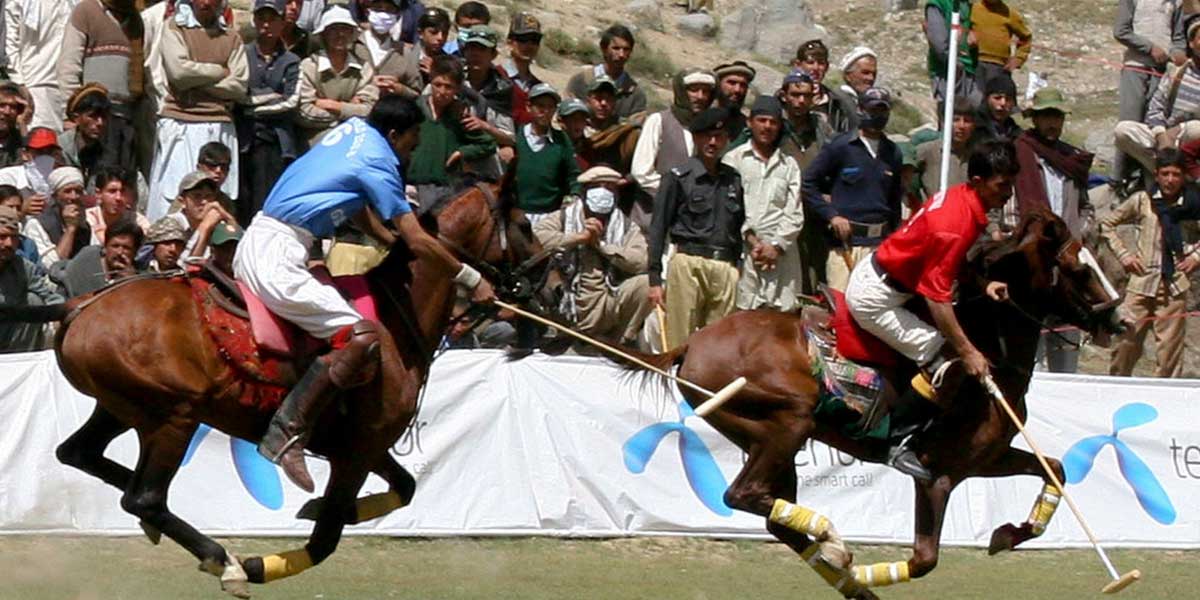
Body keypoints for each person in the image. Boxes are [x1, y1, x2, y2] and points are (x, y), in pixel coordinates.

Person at [233, 95, 496, 492]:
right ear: (393, 134)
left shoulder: (352, 132)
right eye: (412, 138)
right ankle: (287, 433)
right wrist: (471, 279)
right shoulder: (380, 161)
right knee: (362, 335)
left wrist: (383, 238)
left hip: (263, 239)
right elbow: (417, 239)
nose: (415, 146)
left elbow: (351, 203)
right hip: (278, 256)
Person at [845, 140, 1018, 480]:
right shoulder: (954, 222)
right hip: (877, 298)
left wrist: (982, 284)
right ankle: (894, 443)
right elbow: (937, 296)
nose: (1008, 194)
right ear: (979, 180)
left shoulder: (963, 198)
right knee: (945, 360)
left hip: (889, 278)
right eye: (1002, 185)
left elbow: (947, 264)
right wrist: (968, 352)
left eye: (1011, 184)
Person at [647, 107, 744, 350]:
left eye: (719, 137)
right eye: (707, 136)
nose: (713, 142)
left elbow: (738, 226)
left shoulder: (733, 180)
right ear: (696, 138)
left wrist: (737, 268)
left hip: (724, 267)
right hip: (688, 263)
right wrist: (654, 278)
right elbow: (658, 228)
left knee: (719, 346)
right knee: (680, 342)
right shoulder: (678, 178)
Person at [1100, 148, 1200, 378]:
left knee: (1169, 356)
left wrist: (1195, 256)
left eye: (1175, 174)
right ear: (1156, 175)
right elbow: (1107, 224)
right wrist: (1124, 255)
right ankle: (1115, 392)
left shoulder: (1193, 203)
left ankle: (1164, 403)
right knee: (1125, 345)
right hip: (1141, 284)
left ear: (1183, 175)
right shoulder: (1142, 200)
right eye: (1165, 174)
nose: (1170, 180)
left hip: (1174, 287)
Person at [147, 0, 248, 222]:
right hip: (181, 121)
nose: (206, 2)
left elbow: (239, 85)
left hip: (219, 123)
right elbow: (179, 73)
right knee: (175, 197)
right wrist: (219, 71)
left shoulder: (231, 37)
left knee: (217, 200)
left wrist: (197, 82)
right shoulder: (174, 28)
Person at [534, 165, 651, 347]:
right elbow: (537, 238)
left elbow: (642, 260)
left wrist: (602, 247)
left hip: (608, 298)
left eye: (610, 188)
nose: (604, 192)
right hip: (568, 298)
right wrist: (578, 238)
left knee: (647, 284)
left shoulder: (626, 226)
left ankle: (620, 342)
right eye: (598, 186)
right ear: (585, 191)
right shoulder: (565, 217)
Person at [802, 87, 903, 291]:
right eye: (872, 110)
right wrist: (831, 216)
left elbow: (894, 200)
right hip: (845, 245)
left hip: (879, 246)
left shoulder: (893, 152)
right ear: (860, 109)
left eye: (882, 111)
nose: (877, 116)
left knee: (873, 308)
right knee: (841, 308)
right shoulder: (840, 147)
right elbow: (808, 183)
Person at [723, 96, 803, 312]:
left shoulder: (789, 165)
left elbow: (795, 212)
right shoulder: (733, 160)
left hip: (782, 254)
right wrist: (751, 239)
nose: (767, 126)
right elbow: (727, 208)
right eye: (762, 120)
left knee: (782, 317)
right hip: (745, 251)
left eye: (773, 122)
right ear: (750, 123)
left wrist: (775, 246)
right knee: (743, 314)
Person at [58, 0, 145, 174]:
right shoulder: (86, 11)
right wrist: (69, 114)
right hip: (95, 115)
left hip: (126, 116)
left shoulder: (136, 20)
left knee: (124, 176)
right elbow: (68, 65)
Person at [237, 0, 301, 226]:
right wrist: (272, 95)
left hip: (276, 141)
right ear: (254, 20)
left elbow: (291, 100)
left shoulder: (291, 61)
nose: (266, 24)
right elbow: (237, 94)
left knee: (268, 205)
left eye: (272, 18)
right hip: (244, 139)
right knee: (243, 200)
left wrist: (252, 105)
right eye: (261, 18)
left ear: (283, 22)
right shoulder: (241, 54)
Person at [1111, 0, 1186, 188]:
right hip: (1136, 67)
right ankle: (1118, 179)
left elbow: (1179, 39)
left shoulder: (1176, 3)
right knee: (1129, 121)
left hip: (1163, 72)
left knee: (1154, 125)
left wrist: (1177, 53)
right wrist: (1150, 48)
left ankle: (1148, 182)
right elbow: (1121, 31)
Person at [630, 68, 716, 230]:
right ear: (682, 92)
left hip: (690, 224)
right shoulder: (659, 121)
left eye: (705, 92)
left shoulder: (710, 131)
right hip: (652, 218)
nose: (700, 97)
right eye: (694, 90)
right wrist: (675, 192)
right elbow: (641, 172)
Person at [405, 55, 495, 207]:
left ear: (458, 88)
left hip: (443, 189)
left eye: (448, 87)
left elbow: (487, 144)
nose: (442, 91)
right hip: (410, 184)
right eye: (437, 85)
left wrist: (461, 152)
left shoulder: (458, 115)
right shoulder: (414, 109)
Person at [1115, 16, 1200, 175]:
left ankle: (1174, 172)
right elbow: (1155, 108)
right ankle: (1163, 170)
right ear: (1191, 43)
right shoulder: (1176, 71)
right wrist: (1162, 135)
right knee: (1123, 130)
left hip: (1191, 142)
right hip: (1163, 137)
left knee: (1197, 129)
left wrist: (1178, 129)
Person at [297, 5, 378, 145]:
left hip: (355, 140)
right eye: (333, 29)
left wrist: (333, 105)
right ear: (323, 34)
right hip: (315, 142)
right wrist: (348, 112)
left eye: (345, 29)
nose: (340, 34)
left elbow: (369, 110)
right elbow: (304, 112)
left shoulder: (364, 68)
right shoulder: (309, 66)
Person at [0, 205, 63, 352]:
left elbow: (49, 297)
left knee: (34, 301)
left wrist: (64, 313)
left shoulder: (23, 267)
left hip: (11, 340)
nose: (9, 244)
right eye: (2, 237)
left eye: (14, 238)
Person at [513, 84, 581, 219]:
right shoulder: (516, 136)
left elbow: (573, 174)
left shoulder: (561, 140)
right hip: (517, 213)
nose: (545, 111)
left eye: (550, 107)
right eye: (540, 106)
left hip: (549, 215)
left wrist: (574, 195)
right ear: (529, 106)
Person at [4, 0, 70, 129]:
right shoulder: (20, 2)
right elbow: (9, 46)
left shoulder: (74, 3)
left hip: (68, 89)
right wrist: (21, 85)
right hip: (35, 87)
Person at [565, 25, 647, 122]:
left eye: (626, 49)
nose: (621, 54)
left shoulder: (634, 94)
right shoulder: (580, 82)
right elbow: (567, 115)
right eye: (616, 48)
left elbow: (635, 128)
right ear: (604, 49)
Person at [54, 214, 142, 297]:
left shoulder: (139, 276)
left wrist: (131, 284)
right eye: (115, 246)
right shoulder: (88, 259)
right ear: (105, 247)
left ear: (135, 252)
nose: (119, 252)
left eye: (126, 248)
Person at [23, 167, 89, 269]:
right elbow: (51, 267)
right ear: (55, 196)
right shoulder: (37, 224)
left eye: (78, 191)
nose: (73, 196)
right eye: (67, 191)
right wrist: (70, 229)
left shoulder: (84, 224)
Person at [355, 0, 422, 100]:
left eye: (389, 10)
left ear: (397, 16)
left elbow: (417, 92)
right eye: (378, 8)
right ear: (368, 12)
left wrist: (400, 89)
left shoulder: (404, 53)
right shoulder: (354, 46)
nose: (383, 14)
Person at [915, 97, 977, 199]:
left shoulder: (977, 156)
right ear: (944, 122)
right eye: (955, 120)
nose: (961, 126)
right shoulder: (929, 151)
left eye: (967, 121)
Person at [793, 39, 857, 133]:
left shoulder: (836, 103)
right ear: (798, 65)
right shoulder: (785, 97)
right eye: (810, 63)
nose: (816, 68)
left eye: (821, 63)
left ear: (826, 67)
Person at [969, 0, 1032, 93]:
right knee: (975, 99)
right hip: (974, 62)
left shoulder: (1009, 14)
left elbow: (1026, 37)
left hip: (998, 66)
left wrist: (1018, 59)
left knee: (998, 96)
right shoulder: (972, 9)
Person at [924, 0, 979, 104]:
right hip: (947, 72)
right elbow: (938, 42)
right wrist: (954, 62)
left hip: (970, 70)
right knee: (951, 113)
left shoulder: (968, 5)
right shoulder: (938, 4)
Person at [84, 166, 149, 244]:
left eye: (123, 191)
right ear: (99, 194)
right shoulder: (87, 220)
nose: (118, 198)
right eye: (112, 191)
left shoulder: (138, 221)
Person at [501, 12, 543, 94]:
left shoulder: (537, 87)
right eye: (523, 39)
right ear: (510, 42)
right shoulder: (494, 76)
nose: (529, 45)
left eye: (535, 40)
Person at [406, 6, 449, 86]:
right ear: (420, 33)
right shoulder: (405, 56)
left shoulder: (450, 64)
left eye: (444, 33)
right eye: (433, 32)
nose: (440, 38)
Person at [713, 61, 756, 138]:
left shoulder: (746, 126)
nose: (737, 90)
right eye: (732, 83)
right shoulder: (699, 116)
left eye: (743, 85)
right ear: (718, 84)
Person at [975, 75, 1021, 142]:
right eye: (997, 98)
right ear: (987, 99)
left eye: (1008, 99)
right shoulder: (975, 127)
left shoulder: (1015, 130)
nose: (1003, 103)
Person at [0, 80, 25, 168]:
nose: (7, 112)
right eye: (2, 105)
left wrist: (24, 123)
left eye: (13, 107)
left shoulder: (19, 142)